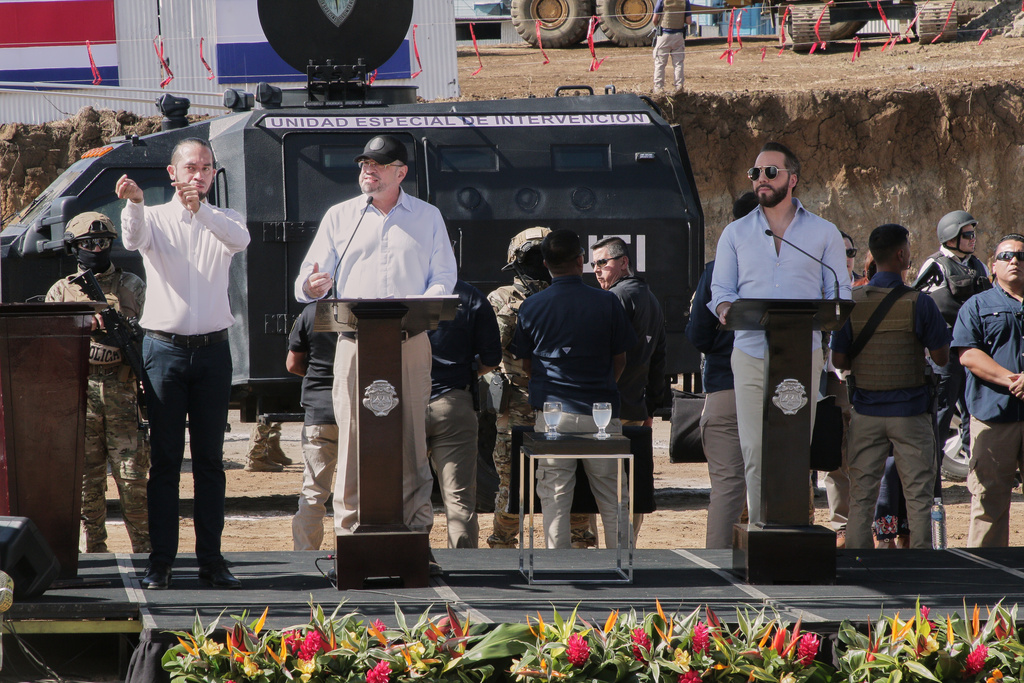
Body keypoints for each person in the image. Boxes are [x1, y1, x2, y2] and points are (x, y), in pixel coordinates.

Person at [294, 135, 457, 570]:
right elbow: (305, 282)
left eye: (380, 165)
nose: (369, 170)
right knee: (351, 442)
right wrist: (311, 286)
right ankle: (350, 537)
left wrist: (424, 303)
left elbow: (444, 278)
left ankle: (417, 537)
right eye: (365, 163)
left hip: (409, 344)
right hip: (353, 346)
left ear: (400, 172)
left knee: (411, 440)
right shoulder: (340, 216)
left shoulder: (428, 217)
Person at [117, 137, 250, 590]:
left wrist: (201, 211)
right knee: (167, 460)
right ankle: (161, 561)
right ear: (172, 174)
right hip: (165, 351)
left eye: (207, 167)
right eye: (191, 167)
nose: (199, 174)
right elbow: (132, 238)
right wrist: (134, 203)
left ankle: (211, 560)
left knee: (211, 460)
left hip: (213, 351)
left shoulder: (223, 218)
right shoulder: (153, 217)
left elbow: (241, 239)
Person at [709, 141, 850, 525]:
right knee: (755, 450)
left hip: (801, 353)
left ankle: (791, 530)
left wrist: (830, 312)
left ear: (793, 179)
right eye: (755, 173)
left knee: (792, 450)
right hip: (751, 352)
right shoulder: (735, 234)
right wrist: (725, 309)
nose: (761, 179)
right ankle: (761, 531)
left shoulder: (823, 233)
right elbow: (721, 291)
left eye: (771, 171)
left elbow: (839, 292)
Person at [511, 229, 637, 549]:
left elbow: (525, 364)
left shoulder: (531, 306)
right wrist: (603, 386)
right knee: (613, 498)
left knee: (554, 498)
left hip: (554, 414)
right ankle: (623, 569)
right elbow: (620, 360)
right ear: (581, 260)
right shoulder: (607, 302)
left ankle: (558, 572)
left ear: (545, 263)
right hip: (601, 412)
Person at [830, 224, 950, 549]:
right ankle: (924, 570)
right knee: (919, 499)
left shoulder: (852, 302)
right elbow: (941, 356)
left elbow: (839, 360)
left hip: (866, 413)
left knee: (861, 500)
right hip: (910, 413)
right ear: (901, 255)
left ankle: (859, 565)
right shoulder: (919, 303)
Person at [45, 211, 150, 555]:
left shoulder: (133, 286)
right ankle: (96, 553)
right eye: (89, 243)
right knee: (88, 483)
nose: (96, 248)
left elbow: (152, 339)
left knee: (132, 480)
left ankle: (145, 551)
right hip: (82, 396)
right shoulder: (62, 291)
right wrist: (81, 326)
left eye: (103, 242)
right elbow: (48, 347)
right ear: (75, 248)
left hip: (123, 393)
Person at [485, 228, 597, 550]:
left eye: (540, 258)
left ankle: (578, 547)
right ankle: (503, 546)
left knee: (573, 482)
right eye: (530, 258)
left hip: (561, 402)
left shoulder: (570, 294)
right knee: (512, 485)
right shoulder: (503, 299)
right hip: (518, 404)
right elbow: (493, 349)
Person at [685, 192, 757, 548]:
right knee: (769, 487)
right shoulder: (790, 265)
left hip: (726, 387)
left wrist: (722, 345)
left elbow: (697, 334)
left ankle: (715, 572)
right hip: (777, 390)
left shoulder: (718, 270)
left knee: (728, 488)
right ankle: (771, 564)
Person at [951, 234, 1024, 547]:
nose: (1015, 261)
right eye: (1006, 256)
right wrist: (1014, 379)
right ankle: (985, 578)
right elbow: (968, 354)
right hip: (994, 417)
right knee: (988, 502)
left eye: (1021, 256)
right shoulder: (977, 305)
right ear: (993, 266)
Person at [913, 210, 990, 483]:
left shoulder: (979, 266)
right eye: (967, 235)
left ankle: (977, 476)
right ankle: (930, 479)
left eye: (973, 234)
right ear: (951, 237)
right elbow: (921, 305)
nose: (973, 239)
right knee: (941, 412)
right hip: (945, 353)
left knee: (974, 411)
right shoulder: (935, 266)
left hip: (974, 351)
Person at [426, 280, 502, 549]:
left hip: (405, 404)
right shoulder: (470, 295)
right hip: (454, 402)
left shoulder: (397, 289)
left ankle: (410, 563)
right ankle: (465, 569)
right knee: (460, 501)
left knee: (409, 495)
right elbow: (492, 357)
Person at [288, 302, 340, 551]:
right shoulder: (365, 308)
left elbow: (293, 364)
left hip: (319, 410)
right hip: (354, 412)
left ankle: (305, 555)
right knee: (353, 492)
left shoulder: (312, 312)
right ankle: (353, 553)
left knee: (313, 492)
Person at [823, 230, 860, 547]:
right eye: (840, 252)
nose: (846, 259)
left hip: (845, 383)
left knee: (845, 457)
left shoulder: (862, 290)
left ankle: (843, 525)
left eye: (851, 253)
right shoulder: (814, 284)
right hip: (810, 377)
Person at [652, 0, 692, 92]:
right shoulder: (685, 1)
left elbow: (654, 19)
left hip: (664, 35)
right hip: (678, 36)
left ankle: (658, 89)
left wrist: (657, 25)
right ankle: (679, 88)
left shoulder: (662, 0)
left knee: (660, 64)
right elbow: (689, 21)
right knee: (678, 64)